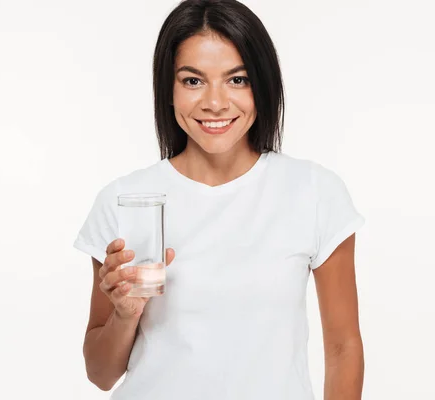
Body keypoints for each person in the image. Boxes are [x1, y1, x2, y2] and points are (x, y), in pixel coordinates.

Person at [73, 0, 365, 399]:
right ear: (168, 89)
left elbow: (343, 348)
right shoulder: (125, 200)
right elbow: (101, 374)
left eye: (237, 79)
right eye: (193, 81)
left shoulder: (313, 191)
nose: (215, 102)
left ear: (262, 85)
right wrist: (126, 315)